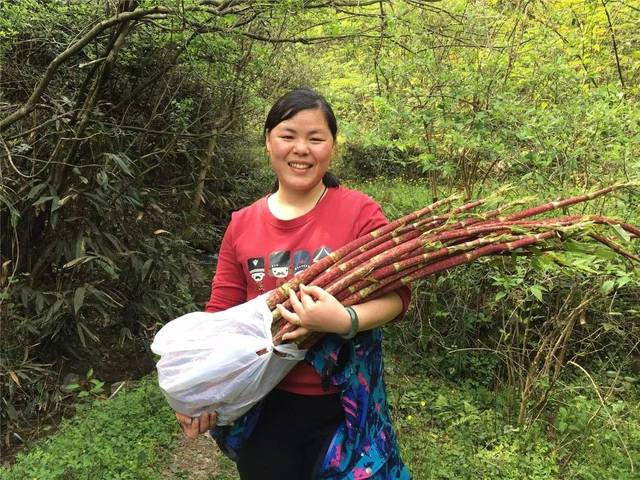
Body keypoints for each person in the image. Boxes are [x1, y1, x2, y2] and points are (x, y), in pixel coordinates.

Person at [175, 88, 412, 479]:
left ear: (332, 146)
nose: (301, 149)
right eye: (288, 135)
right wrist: (200, 389)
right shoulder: (243, 223)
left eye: (315, 138)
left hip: (341, 405)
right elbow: (220, 314)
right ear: (268, 142)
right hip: (263, 403)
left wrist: (344, 320)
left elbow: (398, 295)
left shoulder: (359, 212)